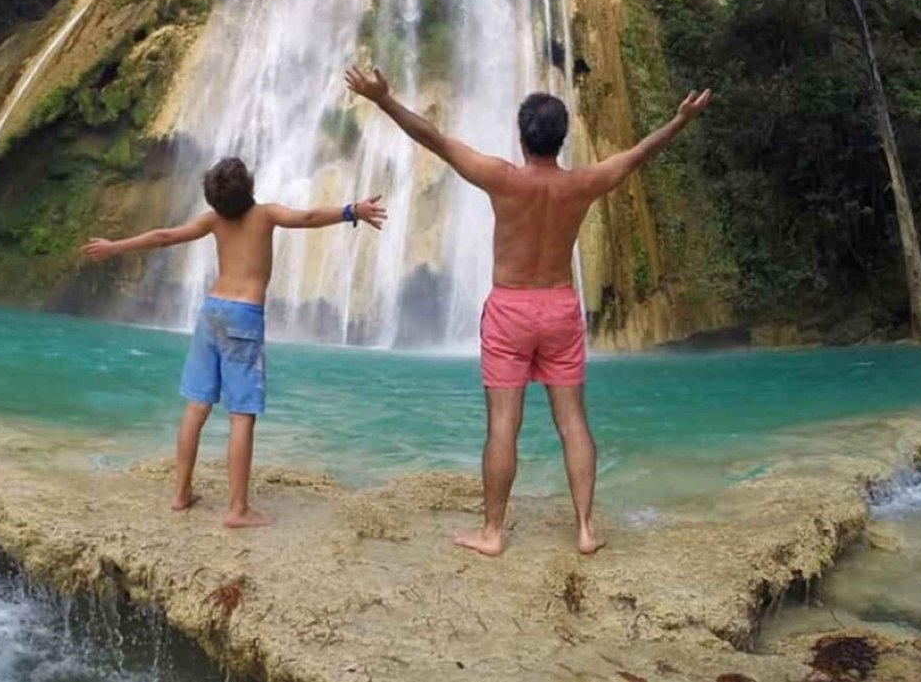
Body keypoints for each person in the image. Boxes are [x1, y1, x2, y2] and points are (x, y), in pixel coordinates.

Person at [345, 66, 711, 556]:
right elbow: (639, 154)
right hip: (559, 307)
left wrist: (384, 100)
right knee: (573, 421)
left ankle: (492, 533)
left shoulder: (502, 178)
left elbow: (433, 138)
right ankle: (585, 529)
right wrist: (679, 121)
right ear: (561, 140)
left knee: (502, 424)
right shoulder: (581, 184)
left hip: (511, 308)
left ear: (522, 137)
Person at [82, 157, 385, 528]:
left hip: (211, 311)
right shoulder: (266, 215)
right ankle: (238, 509)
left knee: (196, 406)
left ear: (213, 200)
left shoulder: (213, 221)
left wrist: (114, 247)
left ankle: (180, 494)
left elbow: (164, 237)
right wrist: (351, 210)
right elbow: (306, 219)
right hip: (244, 316)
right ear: (251, 187)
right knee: (242, 414)